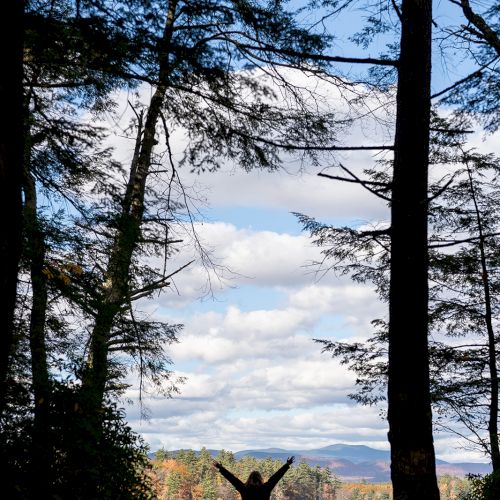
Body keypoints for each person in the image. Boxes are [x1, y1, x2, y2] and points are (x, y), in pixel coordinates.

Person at [213, 456, 294, 499]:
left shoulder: (244, 489)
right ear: (260, 479)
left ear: (249, 479)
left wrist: (221, 468)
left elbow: (232, 478)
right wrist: (287, 465)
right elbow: (276, 477)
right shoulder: (266, 488)